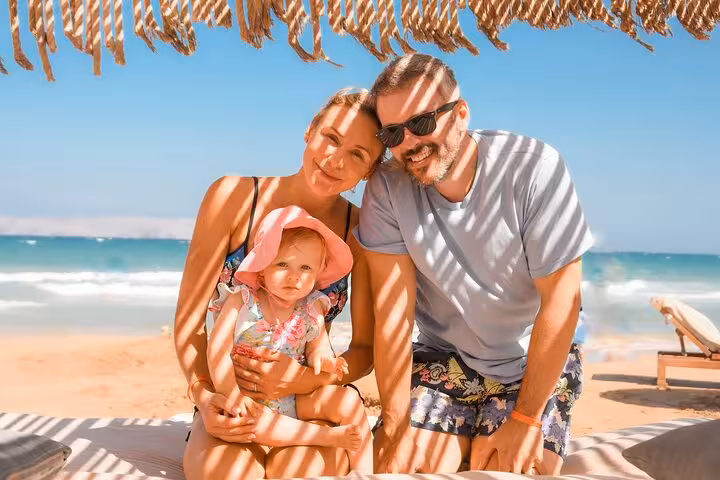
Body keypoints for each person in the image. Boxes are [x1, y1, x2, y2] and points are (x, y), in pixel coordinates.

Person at [355, 54, 593, 475]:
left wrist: (525, 419)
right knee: (401, 469)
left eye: (422, 123)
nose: (410, 142)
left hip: (529, 359)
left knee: (503, 471)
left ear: (460, 113)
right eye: (393, 133)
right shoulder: (387, 188)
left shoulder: (533, 167)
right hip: (444, 357)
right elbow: (392, 314)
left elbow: (563, 299)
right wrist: (393, 426)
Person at [175, 88, 384, 480]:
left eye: (357, 154)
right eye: (331, 138)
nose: (335, 159)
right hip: (231, 399)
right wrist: (205, 397)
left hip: (311, 404)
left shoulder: (361, 231)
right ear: (310, 130)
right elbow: (189, 325)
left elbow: (364, 350)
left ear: (369, 170)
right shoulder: (233, 198)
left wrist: (305, 378)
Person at [207, 206, 372, 472]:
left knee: (349, 401)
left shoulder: (312, 306)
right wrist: (230, 393)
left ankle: (365, 473)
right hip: (250, 397)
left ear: (318, 272)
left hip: (295, 397)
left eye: (305, 267)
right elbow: (217, 350)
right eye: (282, 264)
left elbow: (318, 349)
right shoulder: (242, 300)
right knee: (246, 421)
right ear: (261, 268)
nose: (294, 275)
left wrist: (327, 363)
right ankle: (324, 437)